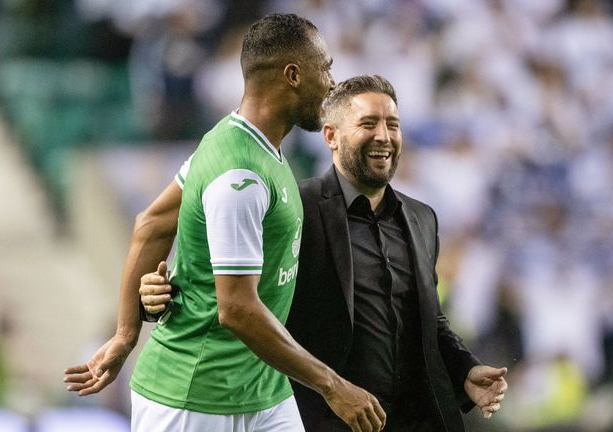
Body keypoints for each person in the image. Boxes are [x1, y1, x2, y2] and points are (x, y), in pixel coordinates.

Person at [64, 14, 387, 432]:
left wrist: (127, 333)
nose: (331, 81)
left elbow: (153, 223)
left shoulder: (235, 143)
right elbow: (236, 308)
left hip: (262, 392)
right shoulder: (239, 175)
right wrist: (331, 385)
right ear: (292, 75)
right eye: (324, 67)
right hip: (194, 397)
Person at [140, 75, 508, 431]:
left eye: (393, 125)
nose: (384, 136)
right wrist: (157, 297)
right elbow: (232, 291)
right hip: (325, 416)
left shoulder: (422, 218)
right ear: (331, 136)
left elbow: (429, 322)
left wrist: (465, 371)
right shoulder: (294, 207)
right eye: (368, 123)